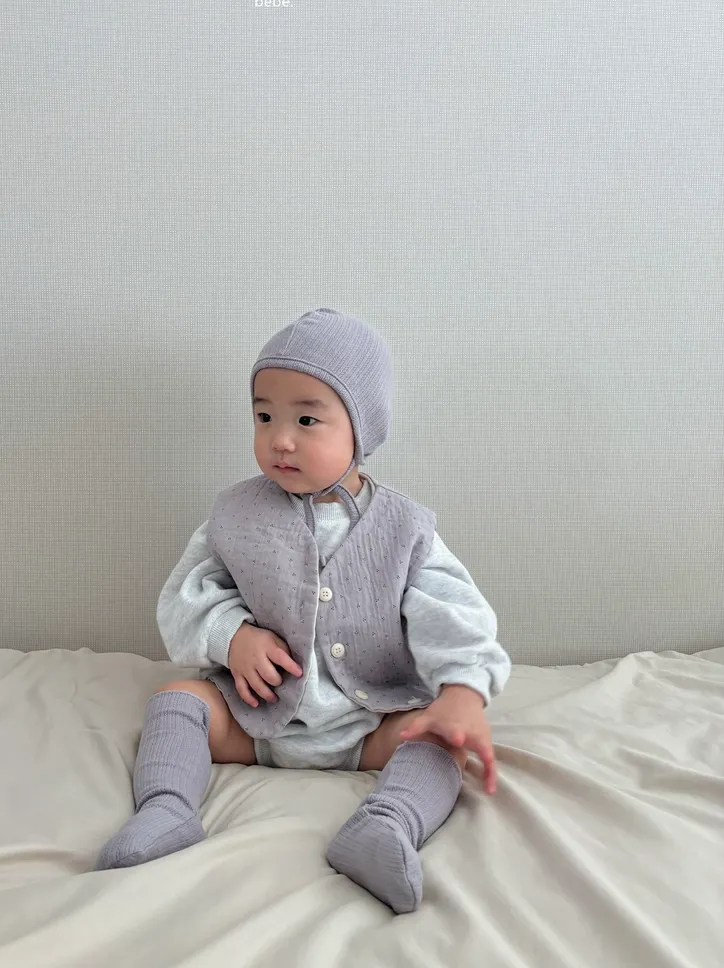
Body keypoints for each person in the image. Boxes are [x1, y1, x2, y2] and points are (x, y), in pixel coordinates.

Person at [96, 308, 511, 913]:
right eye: (264, 416)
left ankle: (388, 825)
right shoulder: (236, 515)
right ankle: (167, 808)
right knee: (177, 700)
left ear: (361, 430)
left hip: (369, 721)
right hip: (257, 719)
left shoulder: (405, 529)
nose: (280, 439)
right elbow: (184, 597)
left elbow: (453, 613)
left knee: (440, 741)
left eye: (306, 419)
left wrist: (463, 690)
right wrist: (231, 635)